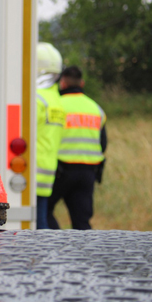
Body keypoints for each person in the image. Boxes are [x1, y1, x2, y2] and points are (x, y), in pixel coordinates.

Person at [47, 66, 107, 230]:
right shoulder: (96, 108)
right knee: (82, 221)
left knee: (44, 210)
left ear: (63, 83)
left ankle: (56, 243)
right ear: (82, 83)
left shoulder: (56, 106)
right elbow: (103, 144)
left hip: (61, 171)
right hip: (88, 172)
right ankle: (83, 254)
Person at [35, 43, 66, 229]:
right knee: (41, 219)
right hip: (47, 171)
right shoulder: (57, 101)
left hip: (31, 171)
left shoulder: (36, 99)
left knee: (38, 225)